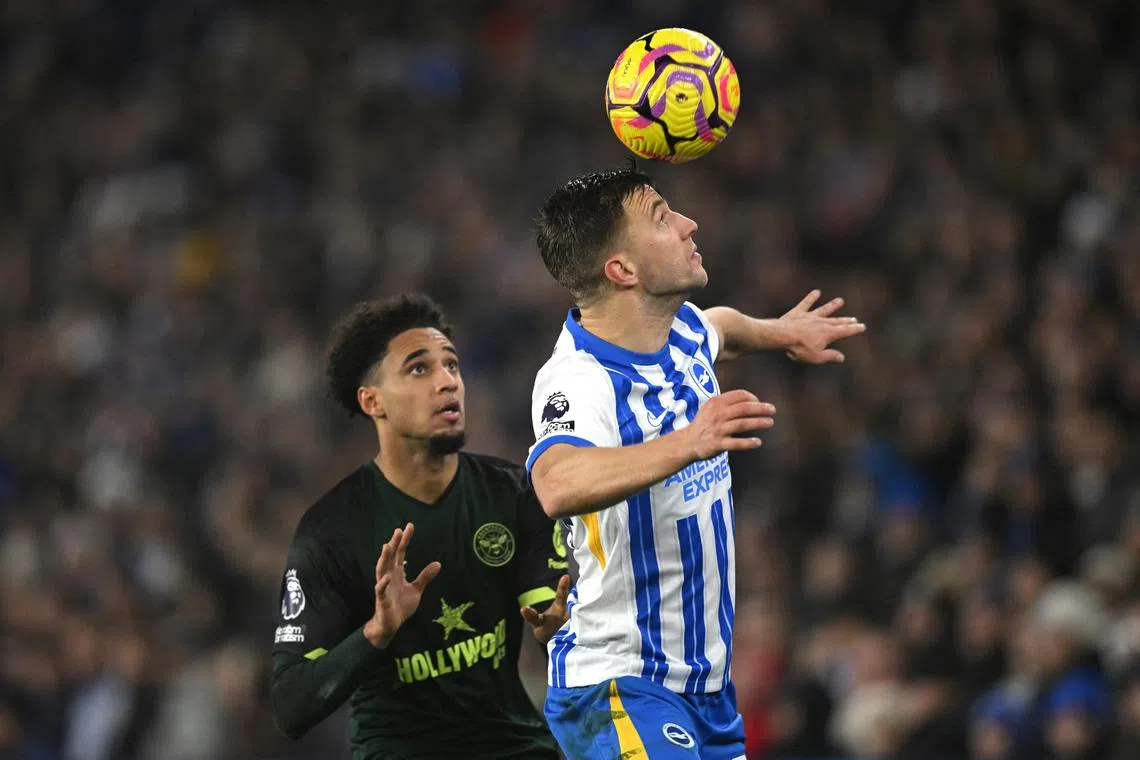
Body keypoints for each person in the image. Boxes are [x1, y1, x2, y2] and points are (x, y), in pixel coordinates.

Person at [527, 167, 866, 759]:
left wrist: (778, 332)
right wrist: (692, 438)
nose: (688, 224)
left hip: (706, 691)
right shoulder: (578, 381)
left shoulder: (679, 330)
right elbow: (557, 483)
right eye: (662, 217)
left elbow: (722, 330)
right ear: (622, 270)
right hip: (621, 683)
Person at [269, 293, 570, 760]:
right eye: (419, 369)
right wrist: (376, 632)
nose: (447, 382)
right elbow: (291, 708)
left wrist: (560, 627)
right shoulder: (330, 532)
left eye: (452, 365)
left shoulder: (513, 493)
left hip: (516, 747)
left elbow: (549, 614)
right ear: (372, 401)